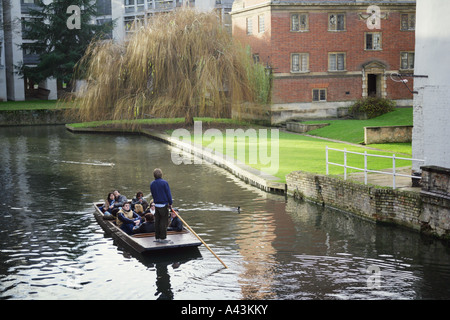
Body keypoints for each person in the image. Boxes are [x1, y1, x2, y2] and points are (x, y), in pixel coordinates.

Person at [150, 168, 173, 243]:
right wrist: (170, 203)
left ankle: (157, 237)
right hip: (164, 204)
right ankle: (163, 237)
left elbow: (153, 194)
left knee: (157, 221)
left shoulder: (152, 184)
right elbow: (168, 194)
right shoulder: (164, 183)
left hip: (156, 204)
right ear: (161, 174)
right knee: (163, 221)